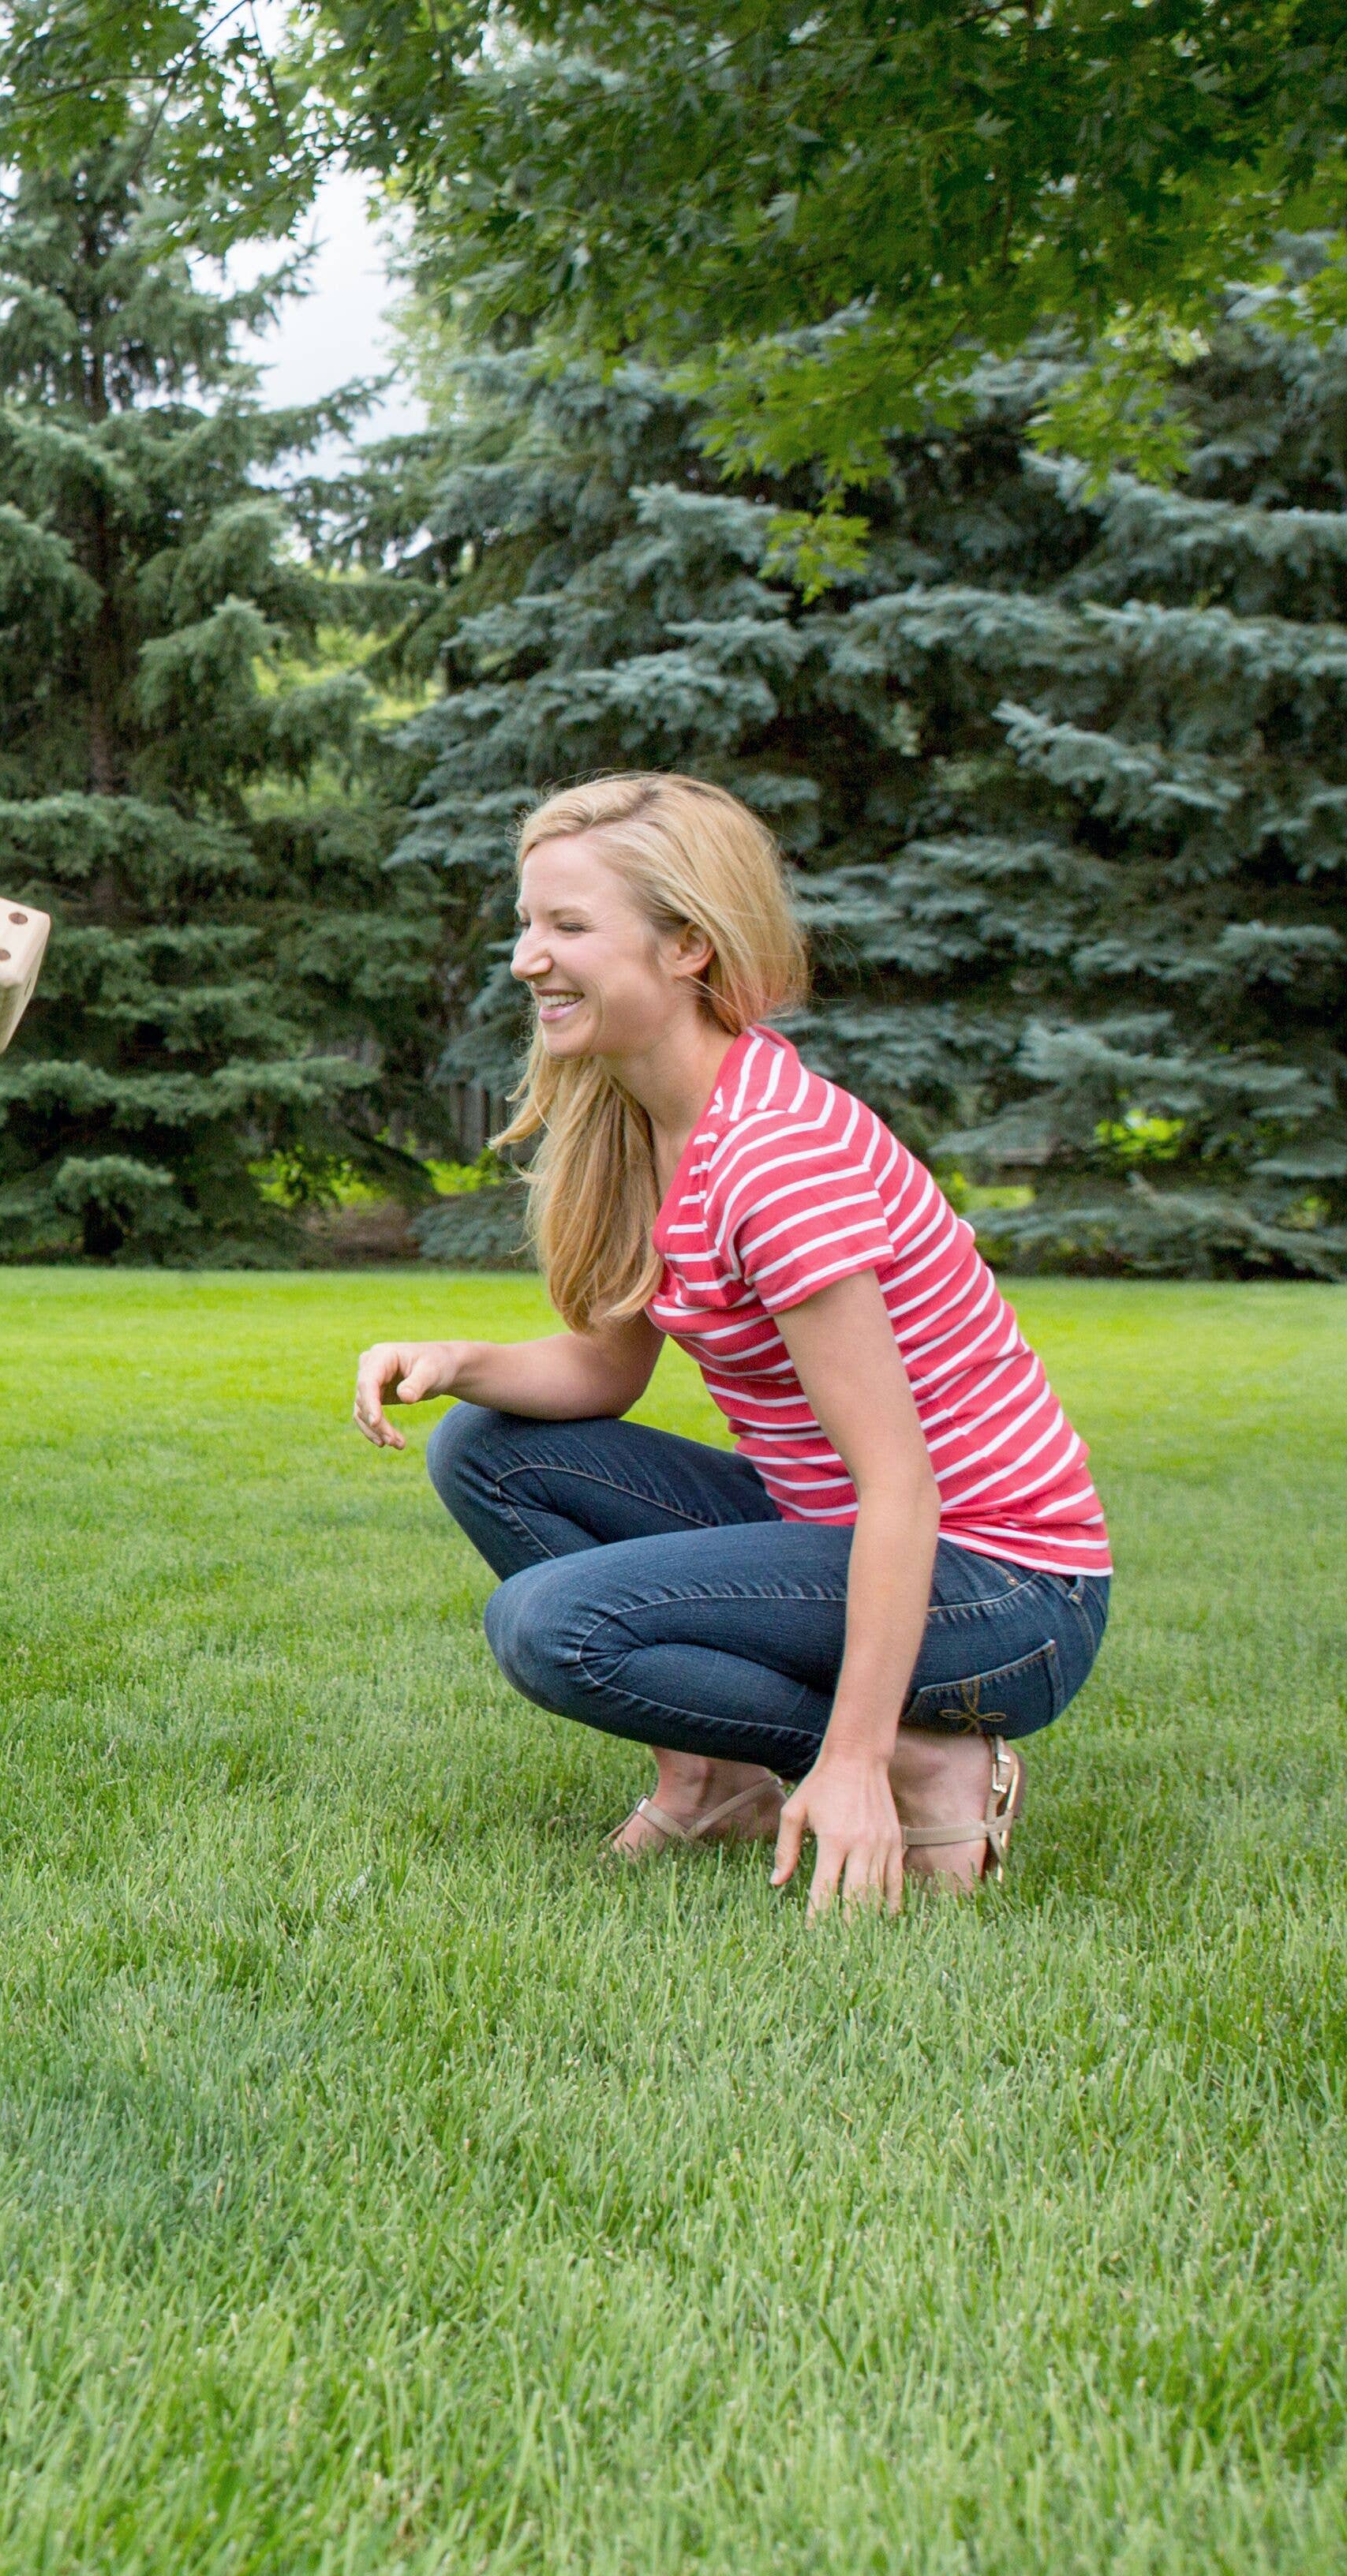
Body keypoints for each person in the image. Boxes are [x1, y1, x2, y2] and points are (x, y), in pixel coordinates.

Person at [352, 773, 1109, 1914]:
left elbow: (897, 1481)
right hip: (851, 1537)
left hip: (1007, 1593)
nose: (525, 960)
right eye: (524, 923)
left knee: (553, 1628)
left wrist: (851, 1758)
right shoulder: (639, 1120)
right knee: (483, 1446)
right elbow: (606, 1372)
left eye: (565, 927)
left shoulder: (776, 1157)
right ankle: (712, 1778)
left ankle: (915, 1759)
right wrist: (455, 1361)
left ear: (687, 948)